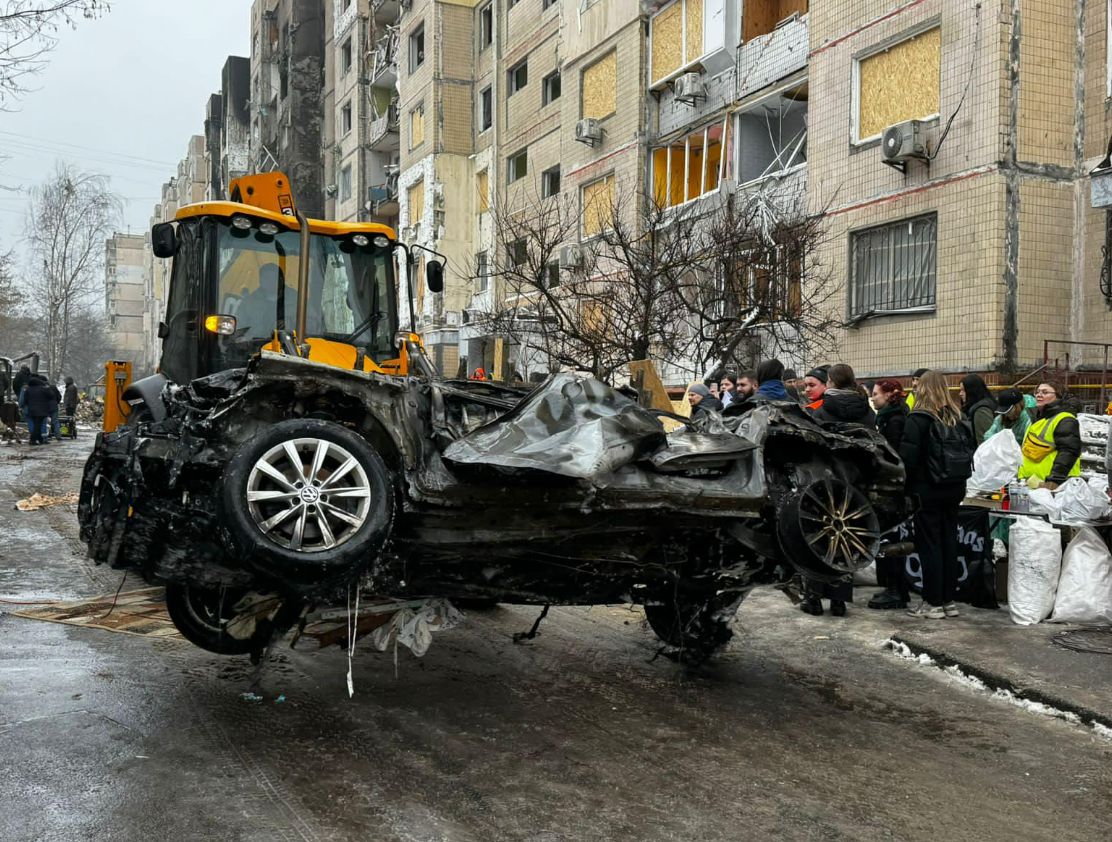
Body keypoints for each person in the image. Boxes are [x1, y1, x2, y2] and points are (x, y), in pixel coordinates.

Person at [901, 370, 974, 619]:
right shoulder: (957, 417)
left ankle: (932, 603)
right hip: (954, 487)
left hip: (926, 490)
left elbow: (908, 460)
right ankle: (948, 600)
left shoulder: (918, 419)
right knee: (948, 542)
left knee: (929, 545)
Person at [868, 378, 911, 609]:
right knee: (890, 538)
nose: (873, 397)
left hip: (892, 489)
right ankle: (895, 588)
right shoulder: (891, 415)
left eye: (876, 393)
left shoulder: (893, 420)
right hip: (892, 487)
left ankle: (896, 590)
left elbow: (892, 456)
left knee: (891, 539)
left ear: (888, 395)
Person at [1018, 381, 1082, 489]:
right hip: (1032, 483)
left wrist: (1054, 480)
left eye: (1045, 392)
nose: (1039, 395)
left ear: (1058, 396)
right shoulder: (1037, 418)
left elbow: (1068, 452)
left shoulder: (1064, 420)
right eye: (1037, 392)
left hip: (1052, 486)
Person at [872, 378, 909, 450]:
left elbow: (892, 452)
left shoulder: (895, 421)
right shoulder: (886, 417)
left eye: (875, 394)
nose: (872, 399)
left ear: (887, 395)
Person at [959, 374, 997, 443]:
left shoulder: (981, 410)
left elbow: (984, 440)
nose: (960, 394)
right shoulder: (984, 404)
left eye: (963, 390)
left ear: (972, 391)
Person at [20, 375, 56, 446]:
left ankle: (40, 439)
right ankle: (32, 440)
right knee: (38, 426)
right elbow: (52, 396)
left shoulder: (28, 390)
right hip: (42, 410)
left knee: (36, 425)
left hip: (31, 410)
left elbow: (26, 400)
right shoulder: (44, 389)